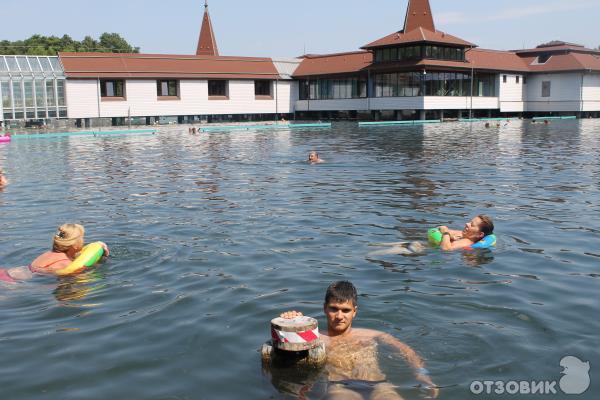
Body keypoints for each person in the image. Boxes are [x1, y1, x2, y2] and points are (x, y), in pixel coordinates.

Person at [280, 281, 438, 399]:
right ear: (325, 309)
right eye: (334, 309)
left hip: (379, 385)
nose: (339, 316)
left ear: (354, 312)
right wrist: (291, 322)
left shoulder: (372, 335)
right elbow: (286, 347)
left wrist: (422, 374)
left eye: (346, 310)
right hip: (340, 387)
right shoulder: (314, 337)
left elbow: (406, 351)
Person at [0, 223, 109, 284]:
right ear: (75, 244)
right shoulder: (64, 263)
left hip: (6, 273)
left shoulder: (50, 254)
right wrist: (98, 261)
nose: (84, 240)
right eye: (82, 238)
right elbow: (78, 277)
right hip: (9, 283)